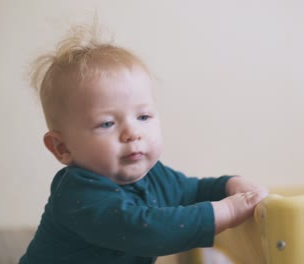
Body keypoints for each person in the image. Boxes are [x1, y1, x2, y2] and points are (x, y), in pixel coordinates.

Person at [20, 24, 268, 264]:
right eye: (107, 123)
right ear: (61, 148)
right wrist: (227, 211)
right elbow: (149, 230)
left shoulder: (154, 175)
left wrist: (229, 185)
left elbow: (192, 192)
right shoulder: (79, 195)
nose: (132, 133)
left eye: (143, 117)